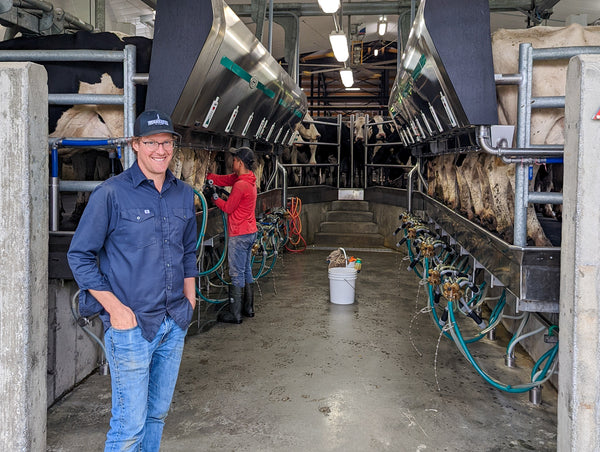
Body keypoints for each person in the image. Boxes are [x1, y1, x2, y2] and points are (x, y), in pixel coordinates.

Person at [67, 110, 197, 452]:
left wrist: (190, 299)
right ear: (135, 145)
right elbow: (79, 254)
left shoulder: (184, 194)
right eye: (151, 141)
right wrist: (116, 310)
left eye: (166, 142)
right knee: (129, 427)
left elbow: (187, 252)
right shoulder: (111, 194)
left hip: (173, 321)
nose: (160, 149)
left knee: (156, 416)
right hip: (132, 327)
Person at [205, 147, 258, 324]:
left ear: (240, 163)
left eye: (234, 160)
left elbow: (228, 208)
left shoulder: (240, 185)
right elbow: (227, 179)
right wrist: (210, 177)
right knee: (246, 271)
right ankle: (248, 308)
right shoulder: (248, 179)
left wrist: (215, 198)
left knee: (236, 273)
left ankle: (235, 315)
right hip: (250, 232)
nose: (231, 162)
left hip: (240, 234)